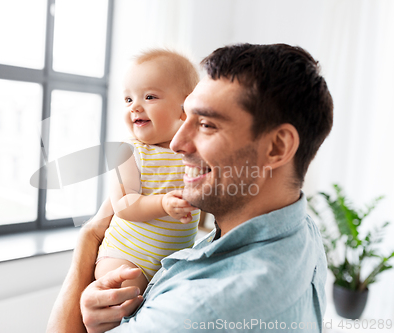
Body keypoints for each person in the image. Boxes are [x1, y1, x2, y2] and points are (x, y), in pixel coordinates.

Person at [46, 43, 333, 333]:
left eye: (207, 124)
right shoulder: (302, 233)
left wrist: (87, 241)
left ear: (277, 146)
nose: (176, 145)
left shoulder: (192, 312)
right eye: (188, 117)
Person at [95, 49, 201, 293]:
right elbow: (123, 204)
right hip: (127, 256)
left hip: (173, 261)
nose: (135, 107)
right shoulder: (128, 152)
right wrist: (163, 204)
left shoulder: (193, 151)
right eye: (128, 99)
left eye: (149, 97)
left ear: (186, 108)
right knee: (125, 291)